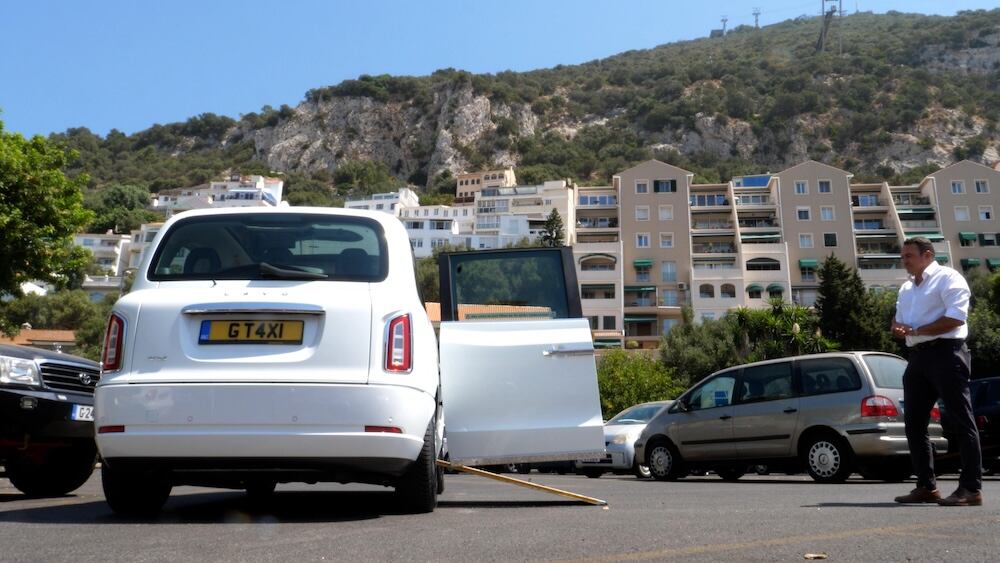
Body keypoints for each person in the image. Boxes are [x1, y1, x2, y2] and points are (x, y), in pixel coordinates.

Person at [891, 237, 982, 506]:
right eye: (903, 256)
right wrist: (897, 327)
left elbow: (956, 317)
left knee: (961, 419)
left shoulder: (948, 278)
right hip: (917, 358)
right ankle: (926, 486)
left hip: (947, 353)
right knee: (914, 424)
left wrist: (916, 330)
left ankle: (971, 489)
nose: (904, 260)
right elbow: (898, 319)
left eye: (909, 255)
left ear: (927, 255)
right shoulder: (906, 288)